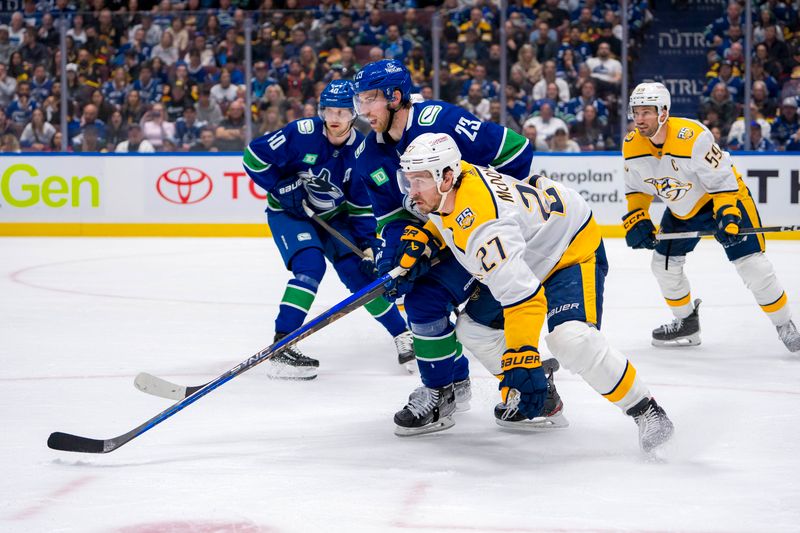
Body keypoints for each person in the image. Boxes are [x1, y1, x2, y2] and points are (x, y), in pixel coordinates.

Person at [395, 132, 674, 453]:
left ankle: (647, 410)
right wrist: (428, 237)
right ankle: (546, 396)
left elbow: (523, 298)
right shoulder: (453, 180)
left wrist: (523, 356)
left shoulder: (485, 226)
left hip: (569, 247)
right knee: (474, 330)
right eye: (408, 181)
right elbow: (450, 218)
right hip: (527, 246)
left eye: (419, 182)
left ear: (446, 177)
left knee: (572, 340)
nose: (412, 193)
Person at [352, 60, 561, 436]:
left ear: (396, 97)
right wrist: (395, 254)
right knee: (420, 299)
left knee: (460, 311)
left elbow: (516, 153)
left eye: (370, 99)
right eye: (358, 102)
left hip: (491, 232)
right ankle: (449, 387)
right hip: (446, 236)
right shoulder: (369, 155)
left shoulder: (441, 120)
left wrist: (475, 212)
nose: (363, 111)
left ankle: (518, 387)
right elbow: (389, 218)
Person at [242, 80, 416, 380]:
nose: (335, 118)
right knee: (309, 266)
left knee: (362, 277)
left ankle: (403, 336)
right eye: (329, 110)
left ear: (354, 114)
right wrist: (279, 186)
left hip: (334, 218)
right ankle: (283, 343)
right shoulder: (301, 133)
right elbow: (253, 158)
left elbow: (361, 206)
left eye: (343, 111)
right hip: (291, 213)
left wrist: (369, 243)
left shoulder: (362, 149)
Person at [622, 82, 799, 352]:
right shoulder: (632, 144)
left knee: (753, 266)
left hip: (723, 198)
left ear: (663, 113)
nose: (640, 118)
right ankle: (687, 323)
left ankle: (785, 325)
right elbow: (636, 187)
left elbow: (723, 182)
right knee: (664, 264)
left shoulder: (692, 136)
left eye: (647, 111)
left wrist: (727, 217)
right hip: (682, 208)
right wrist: (639, 217)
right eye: (636, 112)